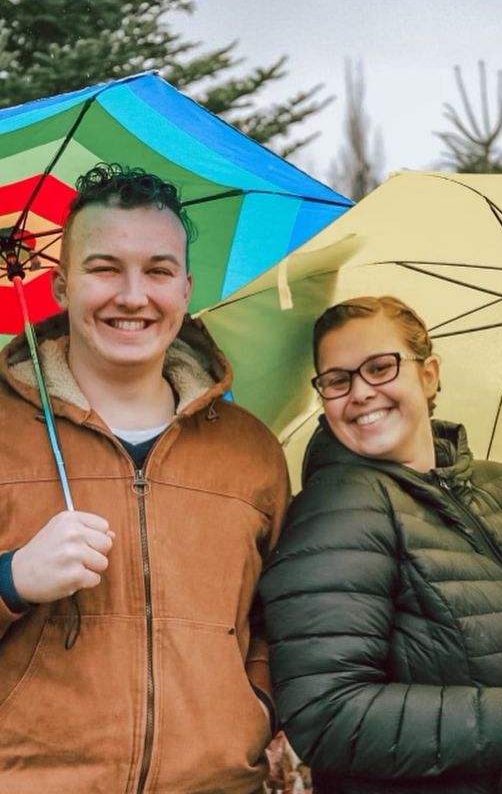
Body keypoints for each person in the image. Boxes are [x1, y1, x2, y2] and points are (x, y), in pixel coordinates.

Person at [259, 295, 502, 793]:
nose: (360, 392)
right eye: (337, 380)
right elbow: (325, 715)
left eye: (380, 367)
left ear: (429, 374)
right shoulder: (335, 512)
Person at [0, 163, 289, 792]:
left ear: (185, 290)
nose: (133, 296)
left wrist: (255, 707)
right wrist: (12, 579)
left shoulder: (251, 451)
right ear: (60, 286)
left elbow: (278, 615)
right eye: (104, 268)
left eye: (157, 271)